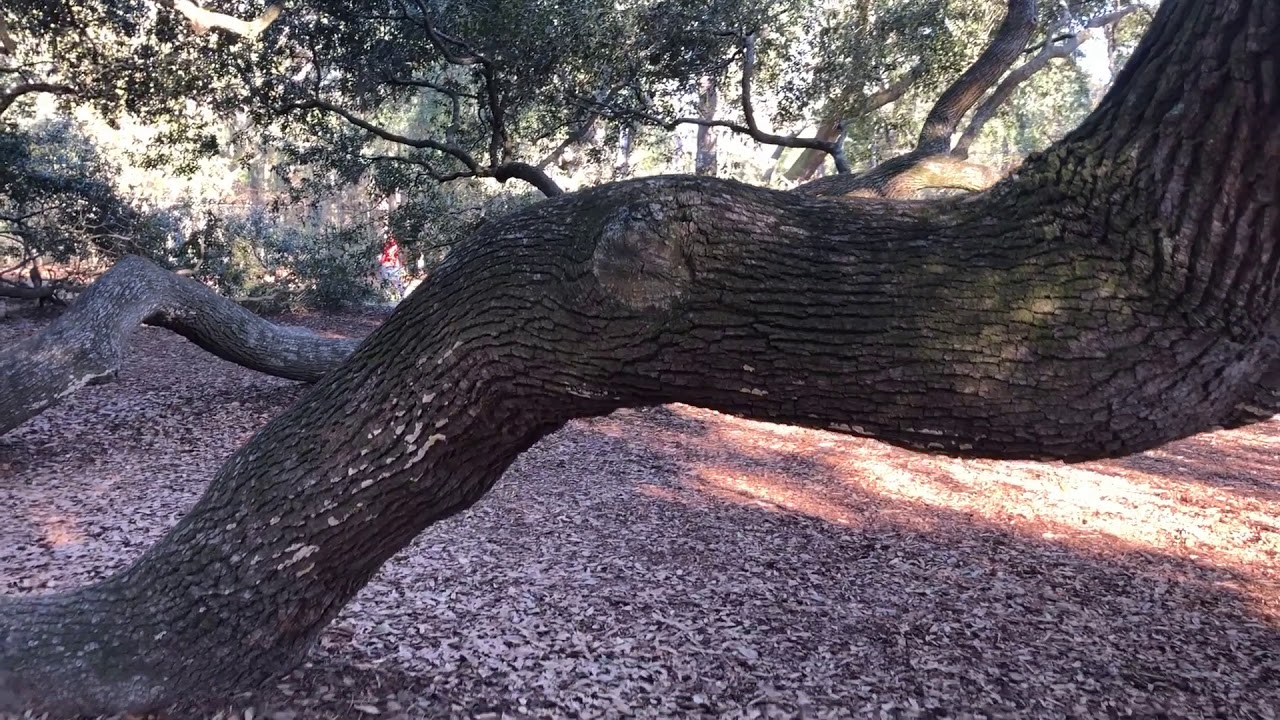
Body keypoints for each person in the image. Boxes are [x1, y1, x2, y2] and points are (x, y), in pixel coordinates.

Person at [379, 234, 407, 300]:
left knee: (396, 280)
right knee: (389, 281)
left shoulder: (394, 247)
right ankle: (389, 296)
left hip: (392, 266)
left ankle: (401, 295)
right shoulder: (386, 247)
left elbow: (392, 256)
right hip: (387, 265)